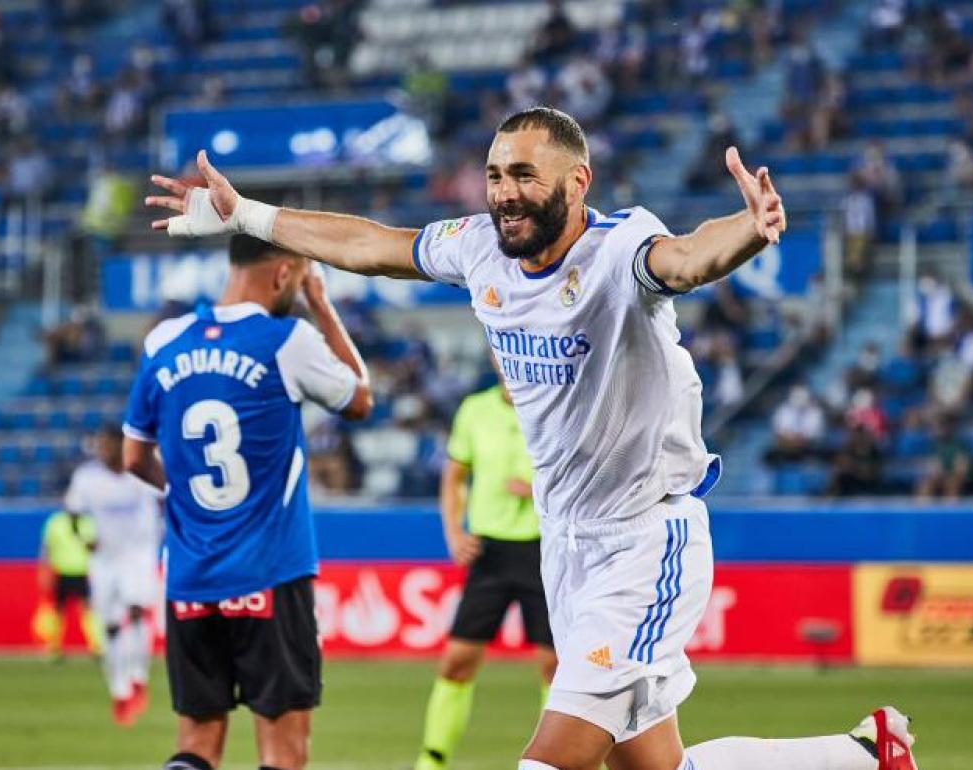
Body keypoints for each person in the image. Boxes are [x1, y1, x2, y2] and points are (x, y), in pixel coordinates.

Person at [146, 106, 917, 770]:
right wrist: (247, 214)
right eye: (494, 174)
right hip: (568, 549)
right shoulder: (481, 247)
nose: (505, 192)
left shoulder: (618, 251)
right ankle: (863, 753)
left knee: (547, 761)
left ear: (577, 183)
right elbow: (371, 246)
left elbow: (685, 258)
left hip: (646, 540)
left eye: (523, 174)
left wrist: (750, 229)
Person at [121, 234, 373, 770]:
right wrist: (322, 307)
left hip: (190, 578)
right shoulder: (286, 340)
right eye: (301, 275)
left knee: (195, 745)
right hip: (270, 576)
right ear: (285, 275)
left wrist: (184, 490)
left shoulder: (164, 339)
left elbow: (132, 457)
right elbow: (359, 398)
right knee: (284, 750)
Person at [414, 376, 555, 770]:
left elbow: (586, 470)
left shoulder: (555, 402)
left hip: (542, 549)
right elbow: (454, 477)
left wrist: (541, 489)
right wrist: (454, 532)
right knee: (457, 660)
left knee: (555, 665)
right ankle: (432, 759)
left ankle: (557, 759)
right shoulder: (475, 409)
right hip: (490, 551)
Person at [65, 424, 164, 726]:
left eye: (108, 445)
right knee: (109, 627)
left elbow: (166, 500)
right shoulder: (87, 478)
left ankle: (138, 677)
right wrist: (84, 539)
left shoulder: (143, 471)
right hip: (105, 559)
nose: (102, 451)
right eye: (100, 445)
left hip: (138, 555)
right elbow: (72, 513)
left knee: (135, 614)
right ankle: (119, 689)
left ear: (122, 446)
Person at [37, 507, 101, 659]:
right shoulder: (55, 523)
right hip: (61, 571)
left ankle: (96, 646)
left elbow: (95, 547)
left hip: (82, 571)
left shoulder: (87, 523)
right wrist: (44, 570)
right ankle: (53, 646)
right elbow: (46, 548)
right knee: (58, 610)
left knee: (87, 609)